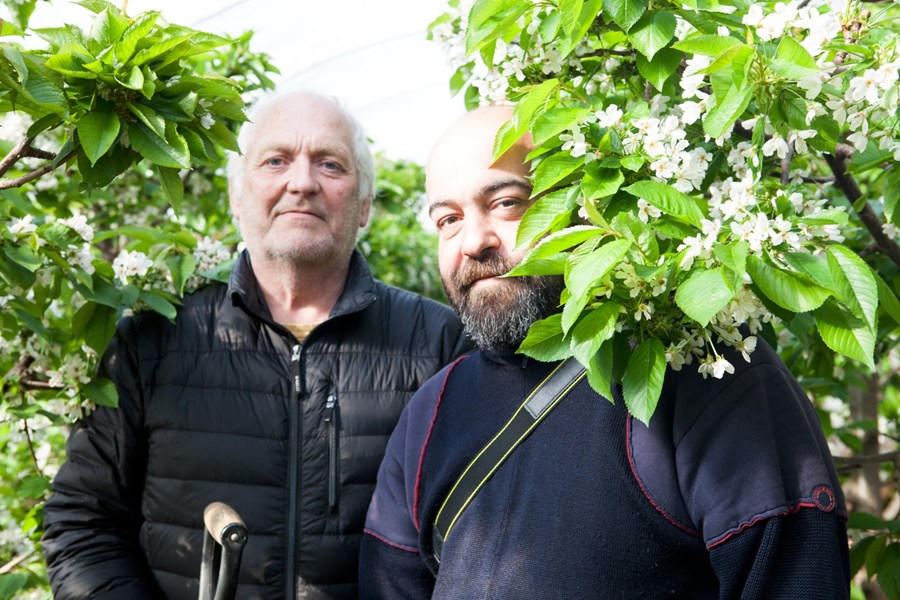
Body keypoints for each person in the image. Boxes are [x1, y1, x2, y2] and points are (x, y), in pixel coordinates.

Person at [359, 105, 850, 599]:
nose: (473, 241)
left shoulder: (699, 365)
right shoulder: (431, 413)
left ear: (582, 204)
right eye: (448, 219)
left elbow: (796, 578)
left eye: (507, 203)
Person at [41, 90, 471, 600]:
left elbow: (479, 536)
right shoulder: (152, 340)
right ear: (237, 199)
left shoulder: (441, 345)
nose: (302, 182)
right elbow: (83, 522)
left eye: (330, 165)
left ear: (364, 208)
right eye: (276, 161)